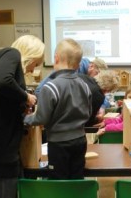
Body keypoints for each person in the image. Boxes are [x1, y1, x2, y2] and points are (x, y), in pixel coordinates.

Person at [0, 35, 44, 198]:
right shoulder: (12, 53)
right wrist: (26, 97)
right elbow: (2, 81)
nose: (33, 69)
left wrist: (20, 108)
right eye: (36, 63)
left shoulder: (1, 60)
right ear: (30, 54)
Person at [24, 38, 92, 180]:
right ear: (79, 64)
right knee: (76, 179)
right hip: (80, 140)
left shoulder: (50, 87)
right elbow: (89, 112)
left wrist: (25, 119)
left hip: (59, 144)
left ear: (56, 59)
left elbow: (41, 118)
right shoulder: (85, 85)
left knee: (59, 181)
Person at [34, 57, 108, 95]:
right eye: (97, 74)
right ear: (92, 66)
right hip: (42, 94)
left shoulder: (84, 71)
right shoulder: (76, 69)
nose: (97, 78)